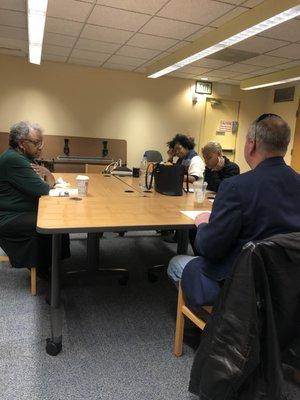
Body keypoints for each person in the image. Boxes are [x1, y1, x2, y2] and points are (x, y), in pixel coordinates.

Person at [167, 114, 300, 308]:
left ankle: (210, 328)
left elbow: (209, 249)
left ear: (251, 145)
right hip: (288, 284)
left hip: (239, 285)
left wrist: (203, 224)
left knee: (176, 263)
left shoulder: (235, 187)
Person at [0, 121, 69, 278]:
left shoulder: (22, 157)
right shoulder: (14, 160)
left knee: (57, 219)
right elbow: (43, 188)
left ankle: (50, 264)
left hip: (20, 211)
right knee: (54, 223)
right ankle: (43, 267)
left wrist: (46, 178)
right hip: (8, 217)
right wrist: (50, 177)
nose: (41, 147)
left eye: (41, 142)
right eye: (36, 142)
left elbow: (39, 184)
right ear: (22, 144)